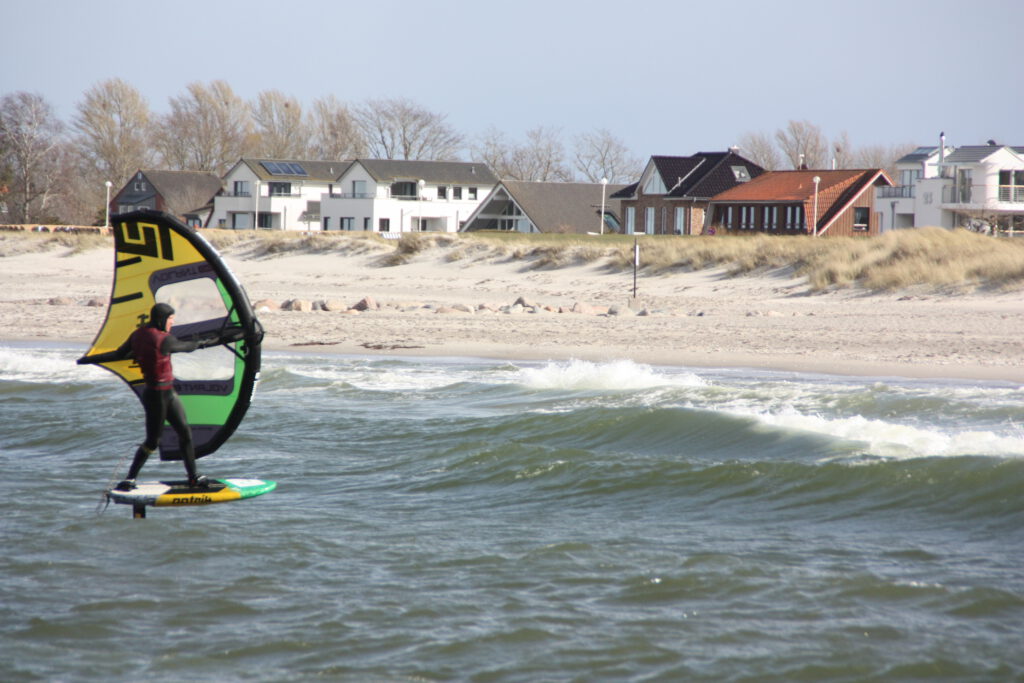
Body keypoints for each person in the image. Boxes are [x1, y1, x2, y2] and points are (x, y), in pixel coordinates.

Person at [83, 302, 217, 491]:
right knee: (152, 441)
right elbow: (186, 347)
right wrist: (204, 342)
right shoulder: (164, 339)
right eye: (171, 319)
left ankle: (193, 477)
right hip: (157, 397)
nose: (173, 322)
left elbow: (117, 354)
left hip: (167, 393)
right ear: (162, 319)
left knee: (185, 433)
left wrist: (90, 358)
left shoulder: (137, 335)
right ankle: (130, 478)